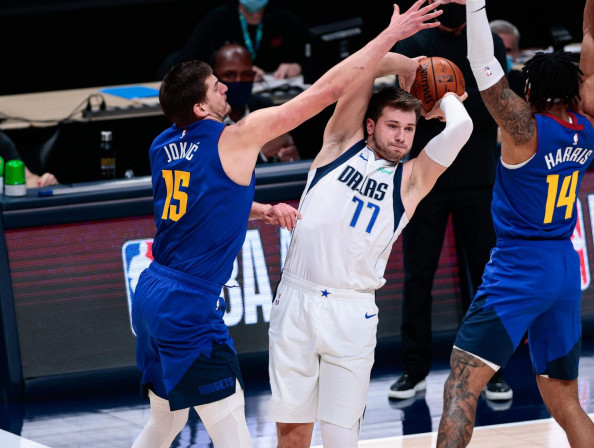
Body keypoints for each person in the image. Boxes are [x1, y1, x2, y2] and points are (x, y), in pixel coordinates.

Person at [130, 3, 444, 447]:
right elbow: (327, 90)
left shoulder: (162, 145)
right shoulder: (236, 137)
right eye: (216, 87)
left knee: (166, 421)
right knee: (232, 425)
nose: (226, 88)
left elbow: (195, 203)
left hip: (150, 294)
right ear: (200, 106)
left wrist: (258, 210)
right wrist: (392, 38)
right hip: (187, 305)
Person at [267, 42, 473, 446]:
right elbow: (368, 65)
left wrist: (445, 99)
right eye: (393, 126)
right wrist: (412, 68)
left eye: (410, 129)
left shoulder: (412, 181)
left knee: (343, 439)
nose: (401, 137)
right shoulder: (338, 146)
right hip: (297, 301)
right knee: (292, 438)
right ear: (370, 126)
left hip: (353, 310)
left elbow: (462, 129)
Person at [436, 0, 594, 446]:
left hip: (519, 265)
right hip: (565, 266)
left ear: (528, 90)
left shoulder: (522, 130)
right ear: (573, 88)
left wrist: (473, 4)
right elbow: (593, 40)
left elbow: (480, 62)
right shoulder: (589, 122)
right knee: (566, 401)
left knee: (461, 385)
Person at [388, 0, 513, 403]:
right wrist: (446, 102)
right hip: (426, 178)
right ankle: (414, 369)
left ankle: (490, 370)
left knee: (483, 276)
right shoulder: (415, 40)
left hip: (478, 176)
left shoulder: (489, 39)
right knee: (417, 275)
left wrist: (447, 100)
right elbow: (402, 104)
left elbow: (497, 106)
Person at [159, 0, 308, 80]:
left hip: (270, 97)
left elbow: (315, 53)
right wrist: (235, 73)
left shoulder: (285, 19)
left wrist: (299, 66)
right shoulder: (217, 20)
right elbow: (190, 62)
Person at [213, 42, 300, 162]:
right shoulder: (199, 118)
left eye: (246, 75)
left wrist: (289, 156)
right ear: (214, 77)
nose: (239, 81)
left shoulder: (266, 110)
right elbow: (207, 168)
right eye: (230, 75)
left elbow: (285, 155)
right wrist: (260, 156)